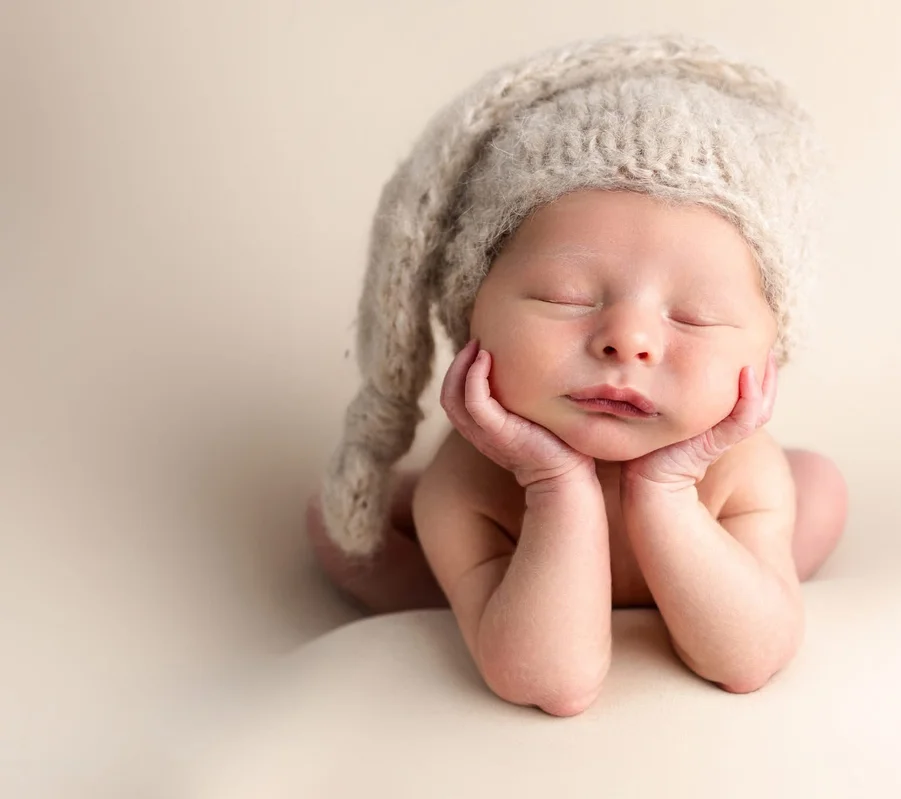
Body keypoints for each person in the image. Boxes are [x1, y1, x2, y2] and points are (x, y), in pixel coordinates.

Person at [306, 33, 847, 717]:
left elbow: (750, 662)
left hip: (716, 509)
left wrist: (670, 489)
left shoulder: (742, 469)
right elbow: (553, 682)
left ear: (768, 355)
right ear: (472, 312)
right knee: (341, 531)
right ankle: (473, 601)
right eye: (565, 296)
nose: (629, 339)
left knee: (819, 487)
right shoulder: (471, 482)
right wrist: (552, 483)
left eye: (697, 316)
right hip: (518, 558)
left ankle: (740, 581)